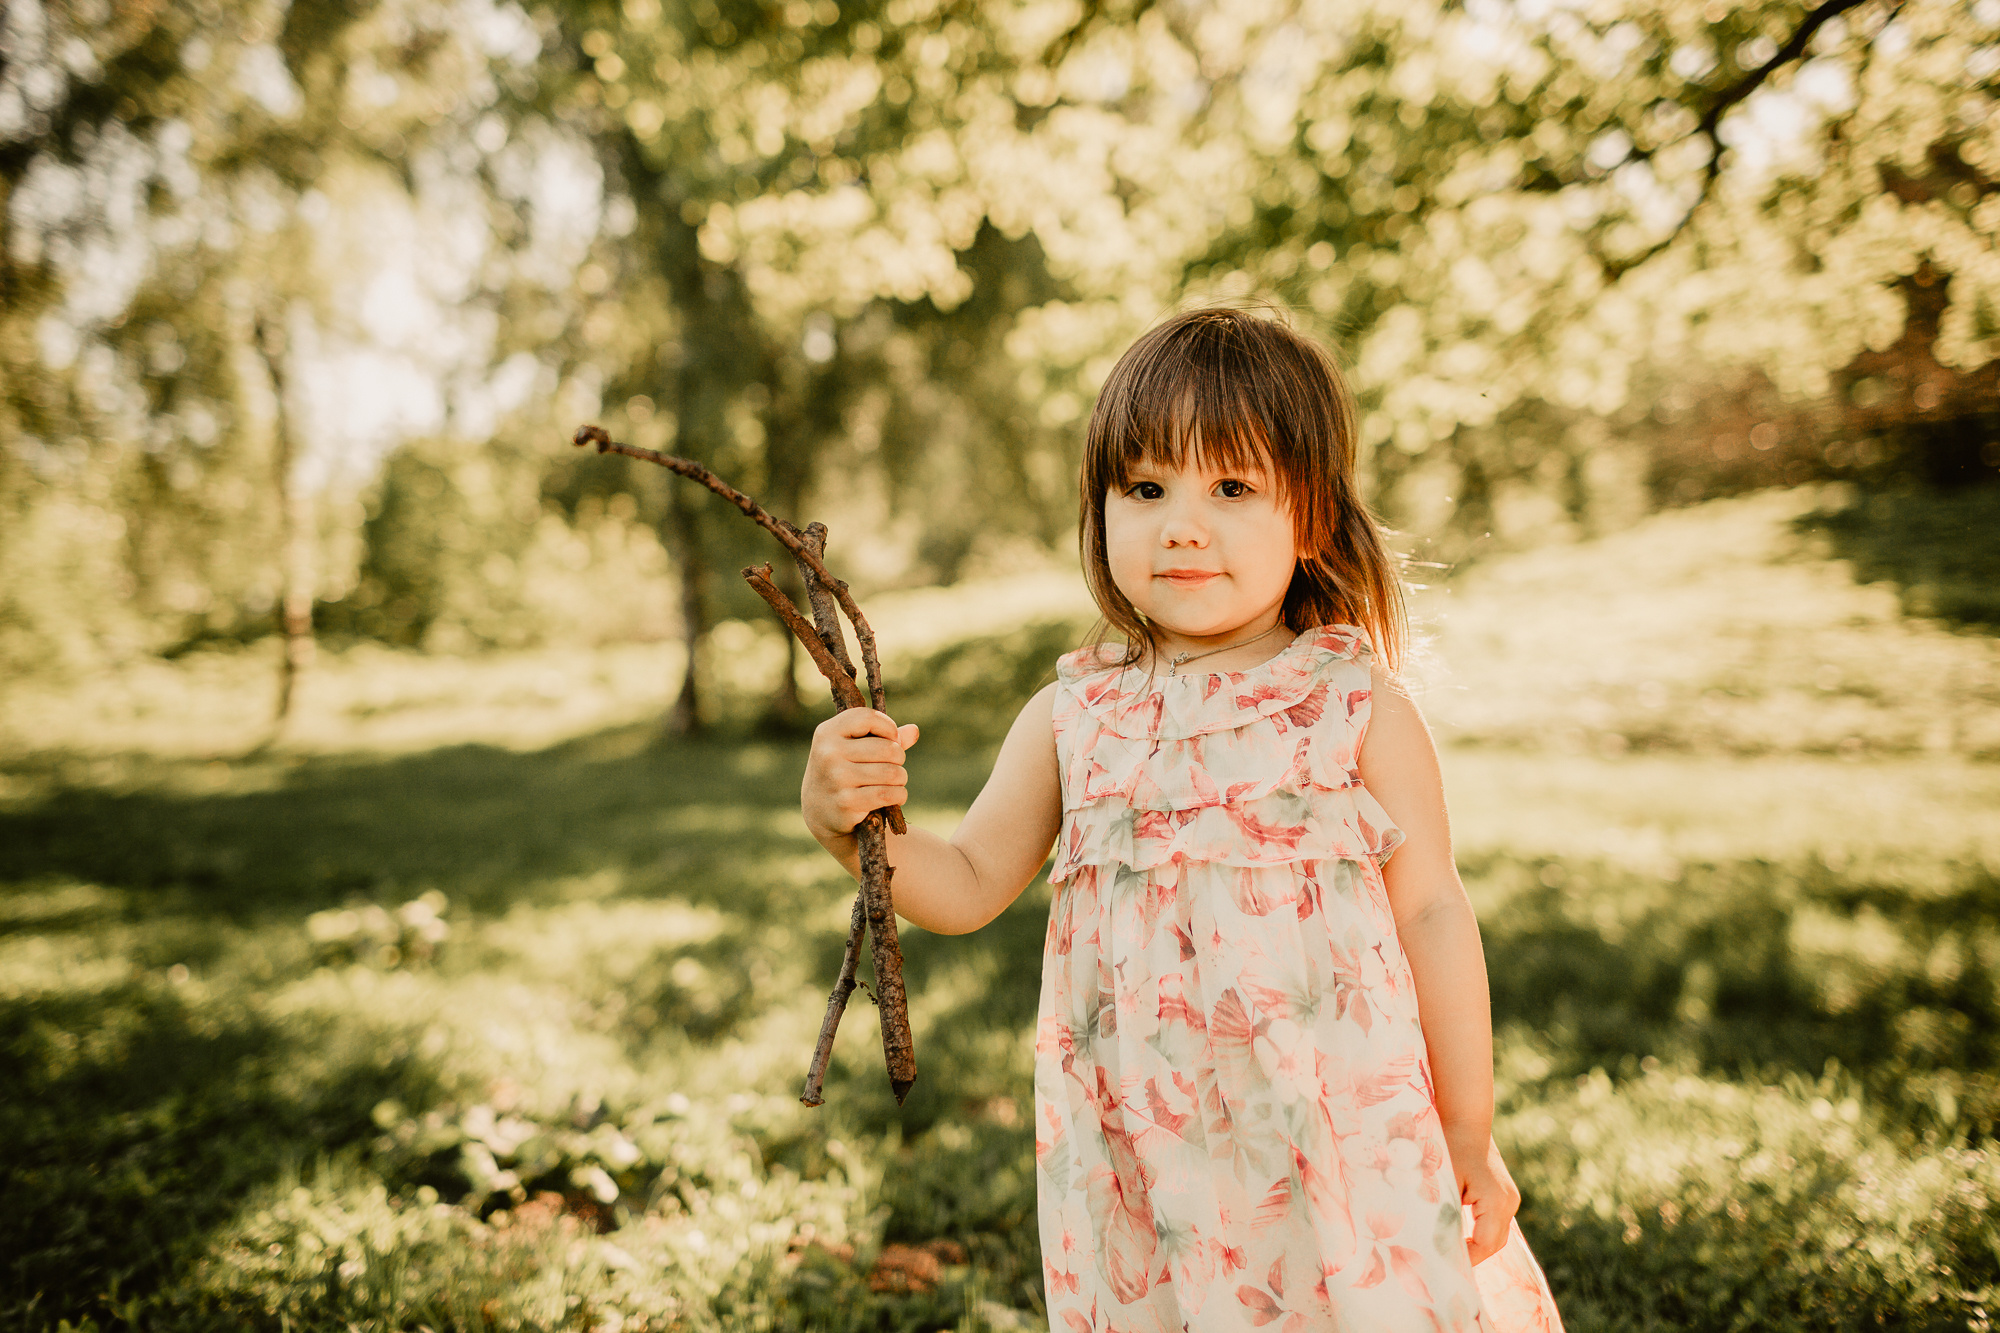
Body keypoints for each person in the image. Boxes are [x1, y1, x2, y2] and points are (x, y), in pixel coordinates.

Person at [800, 305, 1564, 1332]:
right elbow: (968, 882)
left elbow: (1429, 909)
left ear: (1314, 516)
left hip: (1333, 1123)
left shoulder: (1352, 707)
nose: (1181, 524)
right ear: (1099, 509)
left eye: (1232, 487)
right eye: (1146, 487)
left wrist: (1465, 1123)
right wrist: (855, 826)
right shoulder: (1074, 717)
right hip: (1145, 1147)